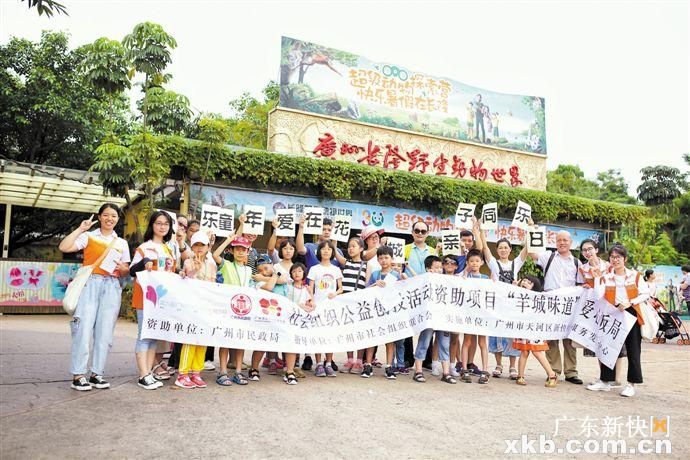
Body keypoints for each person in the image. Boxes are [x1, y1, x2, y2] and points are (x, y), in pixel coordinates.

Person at [59, 203, 130, 391]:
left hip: (112, 286)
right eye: (106, 215)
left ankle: (97, 374)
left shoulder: (121, 243)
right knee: (82, 329)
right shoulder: (89, 236)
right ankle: (78, 375)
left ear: (118, 219)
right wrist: (80, 229)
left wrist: (124, 270)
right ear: (99, 217)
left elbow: (125, 270)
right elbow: (64, 247)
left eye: (113, 215)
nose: (109, 218)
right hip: (90, 283)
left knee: (105, 333)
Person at [587, 244, 650, 397]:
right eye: (612, 257)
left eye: (618, 257)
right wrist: (597, 278)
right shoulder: (606, 277)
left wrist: (631, 302)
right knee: (608, 348)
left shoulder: (635, 276)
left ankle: (631, 384)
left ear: (625, 259)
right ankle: (605, 381)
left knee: (633, 350)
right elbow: (597, 296)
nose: (615, 260)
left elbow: (645, 294)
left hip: (631, 314)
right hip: (612, 314)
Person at [129, 211, 176, 390]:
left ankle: (148, 373)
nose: (162, 226)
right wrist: (144, 262)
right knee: (144, 335)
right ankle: (143, 375)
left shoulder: (169, 249)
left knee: (153, 336)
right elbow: (132, 270)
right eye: (159, 223)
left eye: (166, 224)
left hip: (162, 300)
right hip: (145, 298)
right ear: (152, 225)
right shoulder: (144, 247)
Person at [529, 230, 584, 384]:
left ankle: (571, 372)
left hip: (569, 305)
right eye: (559, 240)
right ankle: (553, 371)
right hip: (550, 303)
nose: (562, 243)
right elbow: (533, 254)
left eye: (565, 240)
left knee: (569, 339)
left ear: (571, 243)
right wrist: (532, 231)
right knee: (551, 338)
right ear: (555, 242)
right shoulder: (549, 256)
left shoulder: (577, 263)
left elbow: (580, 284)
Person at [174, 231, 217, 389]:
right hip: (191, 307)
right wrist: (195, 270)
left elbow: (213, 286)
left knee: (203, 340)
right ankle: (182, 374)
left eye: (202, 245)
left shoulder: (212, 265)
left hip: (206, 307)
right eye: (196, 245)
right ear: (192, 247)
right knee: (190, 340)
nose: (199, 248)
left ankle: (196, 373)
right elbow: (188, 280)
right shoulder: (188, 261)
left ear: (208, 247)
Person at [480, 235, 527, 380]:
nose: (503, 250)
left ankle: (512, 366)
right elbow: (485, 248)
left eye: (506, 247)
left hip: (512, 305)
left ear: (510, 249)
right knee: (496, 334)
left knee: (512, 333)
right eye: (500, 248)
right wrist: (480, 230)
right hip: (497, 304)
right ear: (497, 250)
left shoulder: (516, 263)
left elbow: (526, 249)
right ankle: (498, 365)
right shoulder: (493, 264)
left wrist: (531, 229)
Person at [213, 235, 255, 386]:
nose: (240, 252)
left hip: (243, 311)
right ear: (231, 250)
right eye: (237, 249)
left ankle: (238, 371)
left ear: (248, 252)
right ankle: (223, 372)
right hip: (227, 309)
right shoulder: (227, 265)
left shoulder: (249, 270)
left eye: (244, 250)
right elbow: (215, 255)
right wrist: (228, 240)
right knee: (225, 340)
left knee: (240, 342)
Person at [412, 255, 455, 384]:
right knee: (424, 342)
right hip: (429, 319)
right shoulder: (424, 280)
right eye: (436, 267)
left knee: (445, 344)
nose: (439, 270)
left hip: (443, 318)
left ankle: (446, 373)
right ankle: (418, 371)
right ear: (428, 269)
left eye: (440, 267)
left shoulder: (447, 280)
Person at [365, 246, 406, 379]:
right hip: (376, 311)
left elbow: (403, 290)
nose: (383, 260)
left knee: (390, 339)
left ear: (392, 259)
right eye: (381, 258)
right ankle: (368, 364)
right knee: (373, 338)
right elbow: (366, 290)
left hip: (390, 312)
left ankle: (389, 366)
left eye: (386, 258)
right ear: (377, 260)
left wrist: (403, 278)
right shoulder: (375, 274)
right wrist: (375, 284)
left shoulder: (396, 275)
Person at [512, 276, 558, 388]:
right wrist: (513, 288)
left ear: (534, 287)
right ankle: (520, 376)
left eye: (529, 282)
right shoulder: (517, 294)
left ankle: (552, 375)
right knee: (524, 351)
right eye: (524, 280)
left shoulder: (538, 298)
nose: (525, 283)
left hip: (534, 329)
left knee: (537, 351)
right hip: (523, 328)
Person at [307, 241, 343, 377]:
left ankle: (328, 363)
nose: (326, 251)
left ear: (333, 252)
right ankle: (318, 364)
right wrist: (312, 301)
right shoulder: (314, 269)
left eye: (329, 249)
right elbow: (310, 288)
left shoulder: (336, 269)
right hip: (318, 307)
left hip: (331, 307)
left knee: (330, 335)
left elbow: (341, 288)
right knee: (318, 335)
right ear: (319, 251)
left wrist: (335, 293)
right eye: (323, 249)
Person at [459, 249, 491, 384]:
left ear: (482, 262)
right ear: (467, 262)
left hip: (482, 316)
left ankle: (485, 370)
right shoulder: (465, 278)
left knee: (482, 342)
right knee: (467, 341)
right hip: (469, 314)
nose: (474, 263)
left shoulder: (486, 279)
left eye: (477, 261)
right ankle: (464, 369)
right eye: (471, 261)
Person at [339, 236, 369, 375]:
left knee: (360, 332)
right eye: (349, 246)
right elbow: (334, 250)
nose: (350, 249)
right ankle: (350, 359)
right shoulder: (345, 263)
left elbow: (368, 285)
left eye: (354, 246)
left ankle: (359, 361)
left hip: (359, 304)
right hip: (346, 304)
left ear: (361, 248)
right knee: (348, 332)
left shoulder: (366, 265)